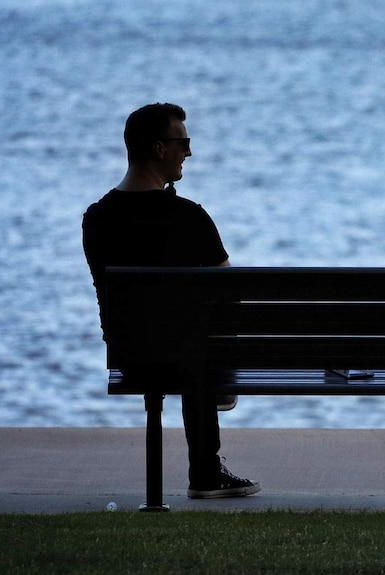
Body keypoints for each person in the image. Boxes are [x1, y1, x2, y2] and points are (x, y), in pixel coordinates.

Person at [82, 103, 260, 499]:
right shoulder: (189, 217)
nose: (190, 153)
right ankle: (205, 470)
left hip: (129, 354)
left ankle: (206, 463)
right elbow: (230, 293)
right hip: (193, 359)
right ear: (159, 148)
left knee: (185, 341)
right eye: (184, 142)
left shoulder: (97, 219)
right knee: (198, 346)